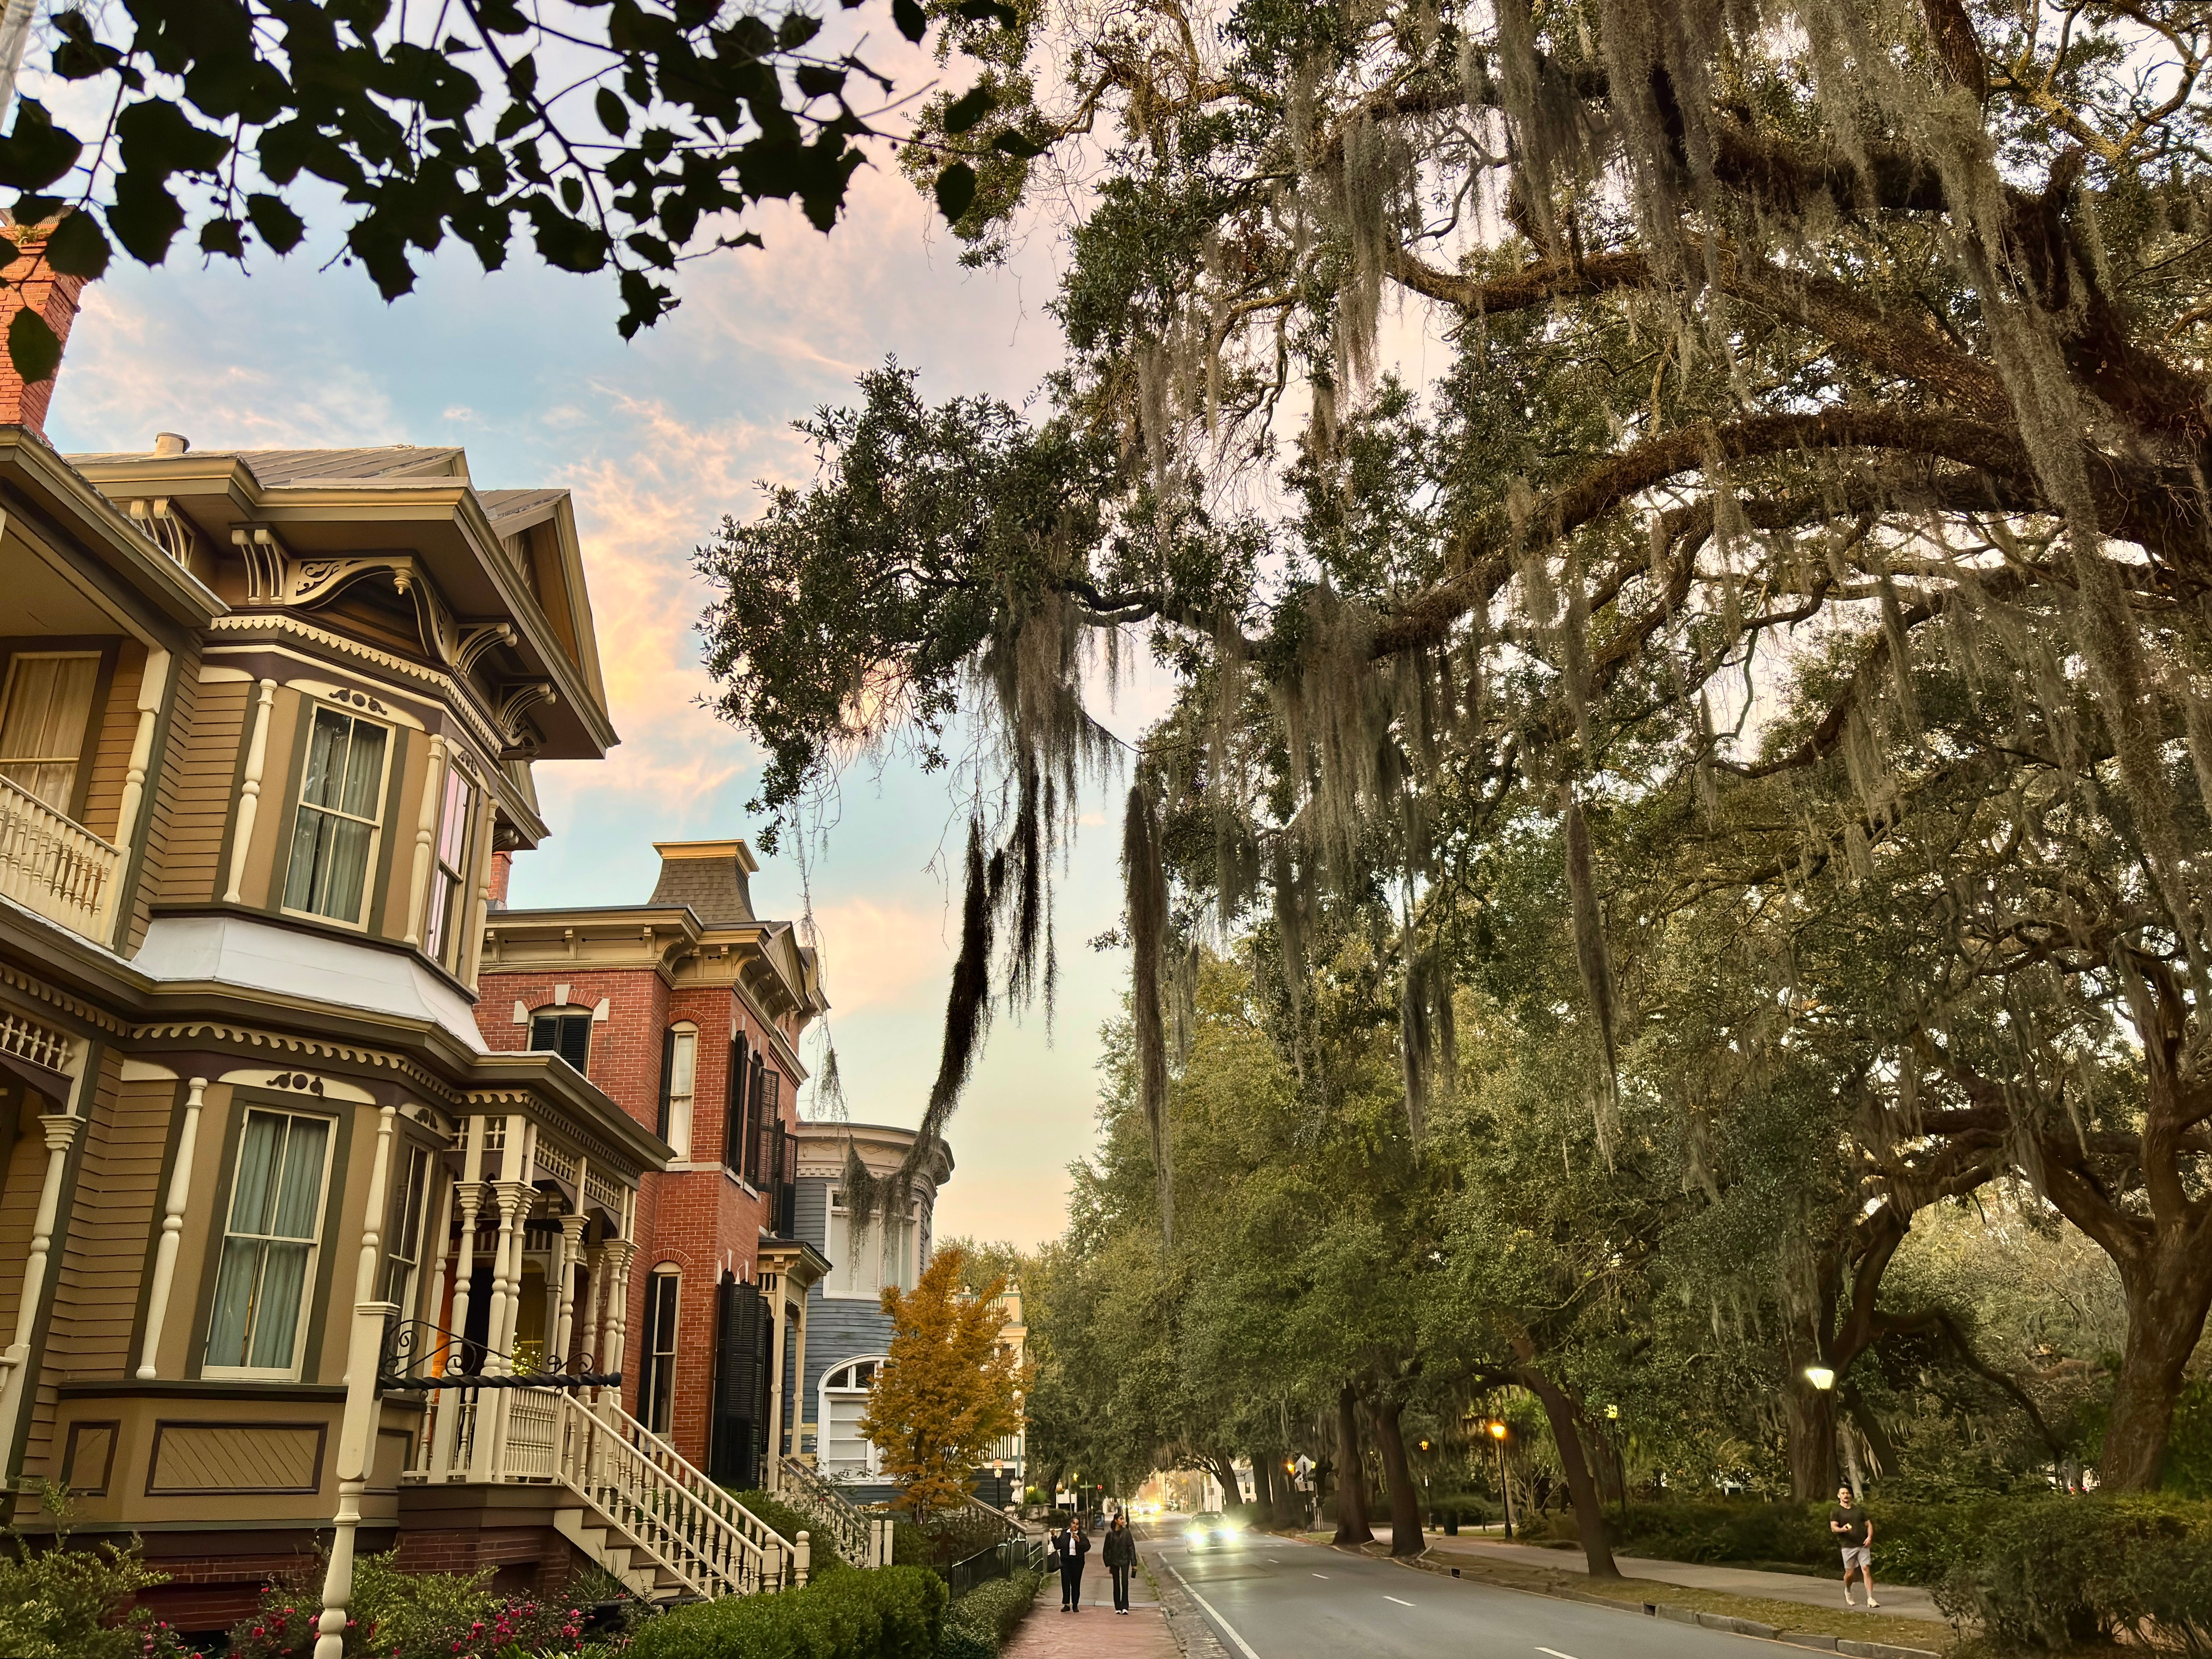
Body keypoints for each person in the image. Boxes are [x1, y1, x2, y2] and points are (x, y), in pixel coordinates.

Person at [1830, 1484, 1879, 1608]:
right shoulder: (1836, 1511)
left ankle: (1871, 1599)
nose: (1846, 1495)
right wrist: (1843, 1529)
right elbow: (1834, 1528)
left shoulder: (1859, 1510)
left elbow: (1869, 1524)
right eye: (1843, 1493)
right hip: (1848, 1546)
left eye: (1847, 1493)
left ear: (1851, 1495)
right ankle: (1848, 1589)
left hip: (1862, 1544)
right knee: (1850, 1574)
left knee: (1866, 1570)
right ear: (1839, 1496)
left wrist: (1869, 1537)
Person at [1104, 1514, 1137, 1614]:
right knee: (1116, 1583)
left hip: (1125, 1560)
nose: (1123, 1521)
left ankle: (1125, 1606)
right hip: (1114, 1561)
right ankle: (1118, 1607)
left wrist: (1134, 1563)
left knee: (1125, 1583)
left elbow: (1131, 1547)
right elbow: (1106, 1549)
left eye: (1123, 1519)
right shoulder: (1110, 1534)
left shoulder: (1127, 1533)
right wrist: (1108, 1562)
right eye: (1121, 1519)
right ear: (1116, 1521)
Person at [1057, 1515, 1091, 1611]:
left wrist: (1079, 1541)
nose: (1075, 1526)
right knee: (1066, 1581)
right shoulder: (1065, 1534)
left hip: (1077, 1562)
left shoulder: (1081, 1535)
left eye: (1077, 1524)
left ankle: (1075, 1604)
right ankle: (1067, 1604)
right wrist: (1053, 1538)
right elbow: (1058, 1545)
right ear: (1071, 1524)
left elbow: (1087, 1547)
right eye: (1074, 1523)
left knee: (1076, 1583)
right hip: (1066, 1561)